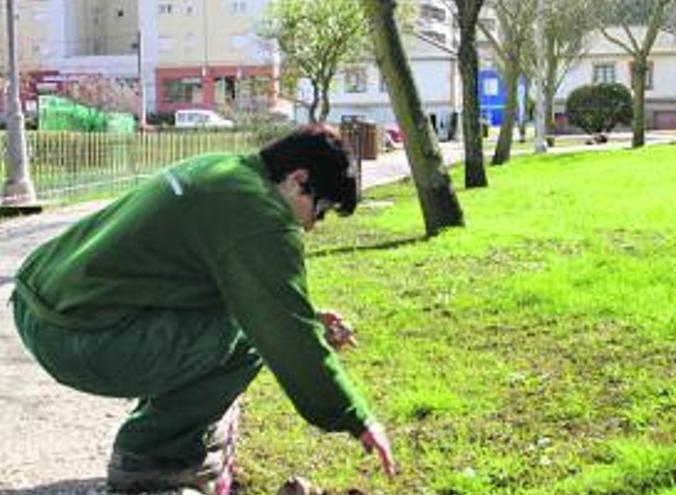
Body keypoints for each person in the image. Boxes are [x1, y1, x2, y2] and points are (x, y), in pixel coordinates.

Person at [11, 124, 396, 494]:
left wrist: (307, 320)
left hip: (39, 307)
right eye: (321, 209)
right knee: (249, 338)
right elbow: (282, 331)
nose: (312, 226)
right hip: (78, 339)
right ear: (298, 179)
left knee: (243, 320)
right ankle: (155, 457)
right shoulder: (259, 215)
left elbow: (239, 292)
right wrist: (356, 417)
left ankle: (161, 437)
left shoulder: (220, 168)